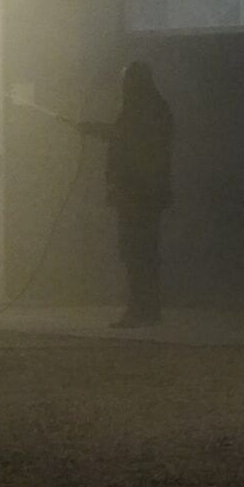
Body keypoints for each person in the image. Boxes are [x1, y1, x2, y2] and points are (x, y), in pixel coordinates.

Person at [74, 60, 175, 328]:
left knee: (135, 252)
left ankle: (139, 310)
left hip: (136, 194)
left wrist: (92, 129)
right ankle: (147, 309)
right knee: (144, 252)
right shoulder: (156, 108)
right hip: (147, 194)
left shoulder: (140, 111)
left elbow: (126, 140)